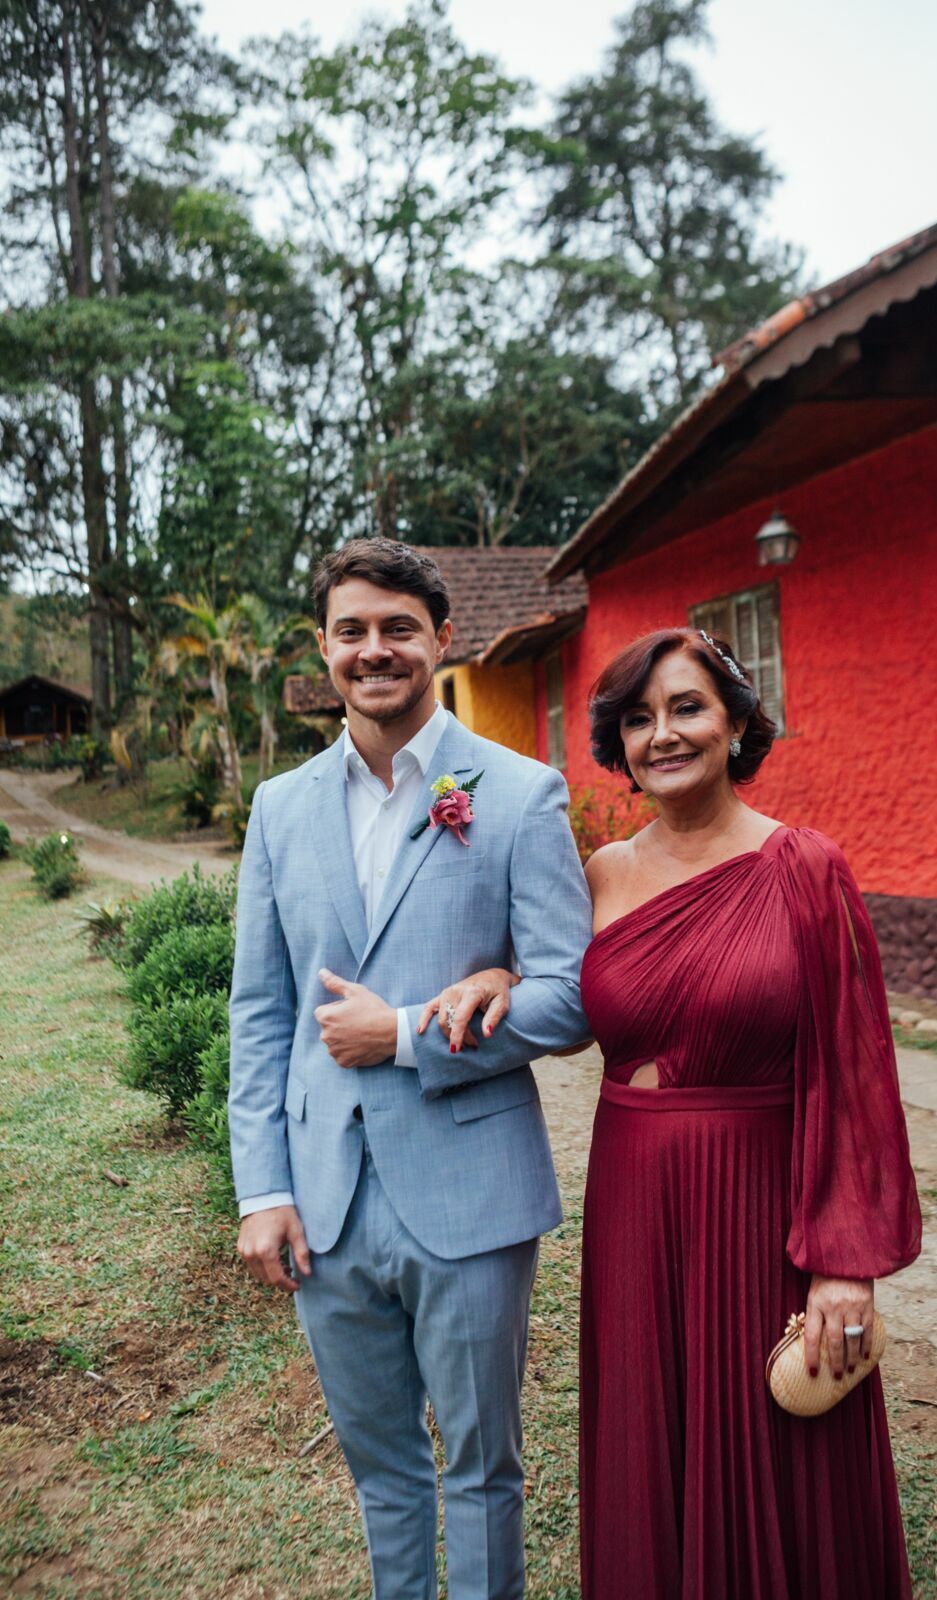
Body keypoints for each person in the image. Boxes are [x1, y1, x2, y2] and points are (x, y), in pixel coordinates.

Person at [431, 626, 922, 1599]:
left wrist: (841, 1263)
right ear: (616, 741)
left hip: (758, 1198)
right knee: (651, 1432)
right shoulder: (603, 871)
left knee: (777, 1442)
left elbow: (855, 1076)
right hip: (636, 1201)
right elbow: (566, 1005)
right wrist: (497, 972)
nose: (662, 733)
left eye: (686, 707)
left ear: (737, 721)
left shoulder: (804, 868)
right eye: (637, 718)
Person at [228, 537, 592, 1600]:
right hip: (324, 1204)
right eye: (352, 630)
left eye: (397, 627)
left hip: (471, 1195)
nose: (373, 649)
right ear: (325, 648)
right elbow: (260, 1012)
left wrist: (405, 1036)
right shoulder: (278, 810)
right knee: (381, 1468)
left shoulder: (519, 795)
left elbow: (569, 997)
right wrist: (263, 1186)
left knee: (482, 1469)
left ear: (442, 636)